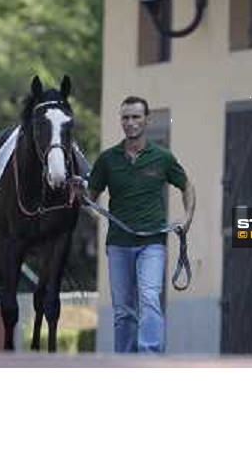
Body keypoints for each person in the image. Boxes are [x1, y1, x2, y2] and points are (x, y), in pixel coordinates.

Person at [88, 96, 196, 353]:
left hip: (152, 245)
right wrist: (87, 204)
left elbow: (186, 186)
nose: (130, 122)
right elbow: (90, 198)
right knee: (123, 310)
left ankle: (149, 360)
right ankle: (124, 361)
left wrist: (187, 218)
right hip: (118, 244)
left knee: (149, 300)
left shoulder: (162, 157)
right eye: (125, 117)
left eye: (136, 117)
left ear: (147, 120)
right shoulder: (107, 160)